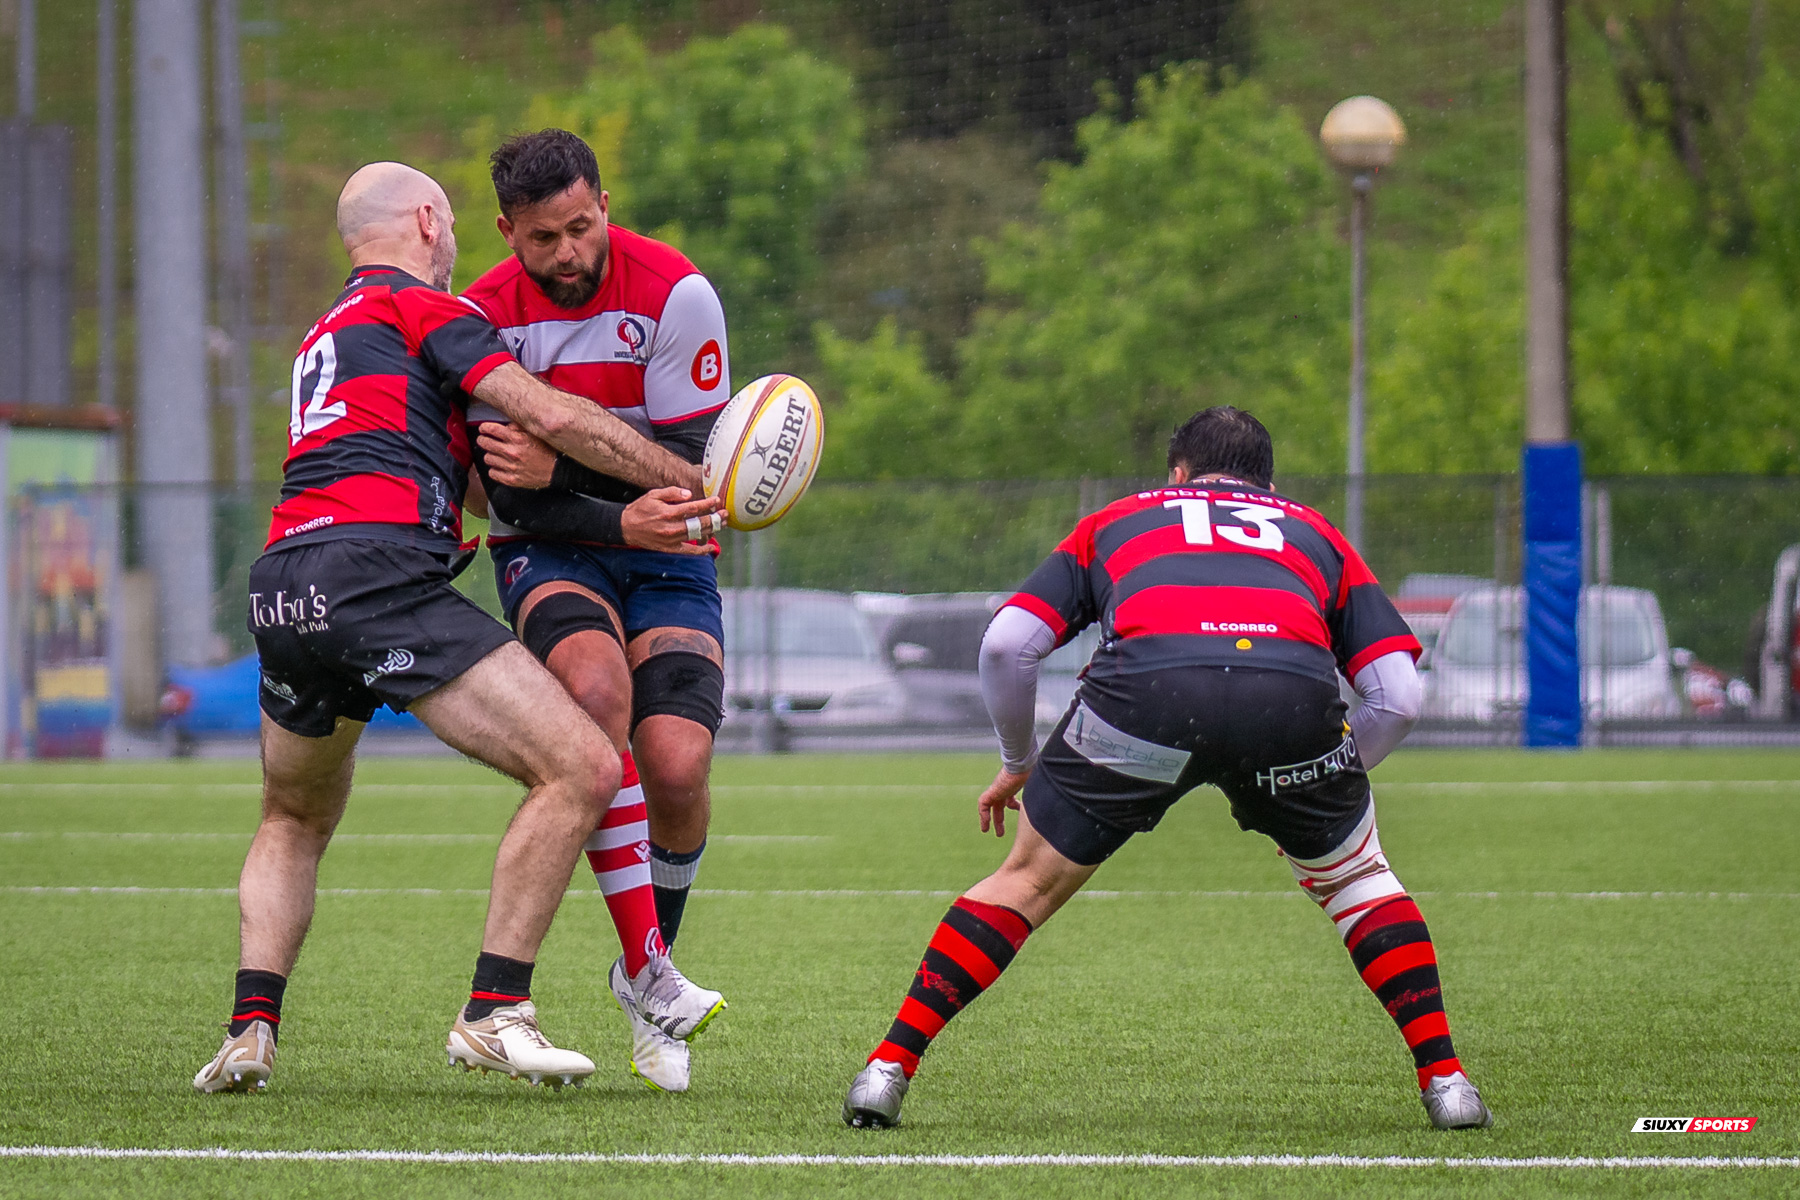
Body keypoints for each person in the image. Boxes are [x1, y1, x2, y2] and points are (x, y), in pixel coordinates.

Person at [192, 161, 722, 1095]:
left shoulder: (324, 331)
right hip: (378, 575)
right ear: (432, 220)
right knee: (585, 764)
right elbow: (552, 412)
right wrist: (687, 486)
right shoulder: (427, 309)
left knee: (293, 815)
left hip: (284, 586)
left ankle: (249, 1031)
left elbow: (429, 454)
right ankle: (495, 1011)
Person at [841, 406, 1493, 1132]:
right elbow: (1399, 696)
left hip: (1145, 698)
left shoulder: (1120, 520)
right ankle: (1448, 1085)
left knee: (1024, 881)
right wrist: (1325, 774)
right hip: (1286, 700)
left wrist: (1018, 762)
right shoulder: (1314, 530)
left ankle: (887, 1071)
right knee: (1359, 880)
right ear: (1267, 483)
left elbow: (1006, 645)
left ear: (1177, 475)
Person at [457, 129, 733, 1092]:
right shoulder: (479, 315)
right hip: (552, 546)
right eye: (544, 239)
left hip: (668, 554)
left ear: (604, 202)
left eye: (582, 226)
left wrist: (565, 454)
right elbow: (512, 496)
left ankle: (637, 972)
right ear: (507, 232)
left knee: (679, 764)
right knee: (595, 690)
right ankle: (658, 976)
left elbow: (693, 476)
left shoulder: (676, 293)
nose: (569, 252)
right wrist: (611, 504)